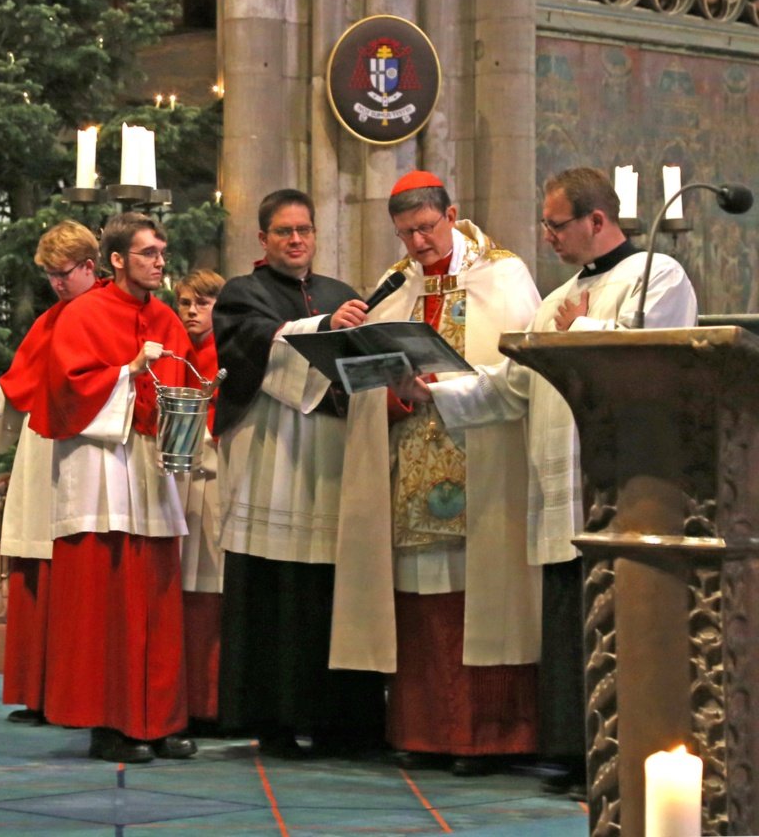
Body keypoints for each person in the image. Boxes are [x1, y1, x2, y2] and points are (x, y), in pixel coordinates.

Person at [395, 166, 697, 795]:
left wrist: (574, 335)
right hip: (556, 486)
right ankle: (573, 747)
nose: (547, 236)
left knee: (623, 619)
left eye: (556, 225)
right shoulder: (559, 300)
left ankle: (626, 749)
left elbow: (654, 351)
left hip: (621, 481)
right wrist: (439, 390)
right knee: (570, 622)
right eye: (544, 225)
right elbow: (512, 389)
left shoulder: (658, 275)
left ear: (596, 220)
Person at [332, 171, 543, 775]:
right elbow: (367, 382)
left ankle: (488, 738)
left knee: (484, 597)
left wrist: (444, 390)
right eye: (406, 234)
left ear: (452, 213)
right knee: (420, 599)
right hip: (410, 467)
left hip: (482, 463)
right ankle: (424, 731)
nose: (418, 244)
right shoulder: (393, 288)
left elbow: (522, 372)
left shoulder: (503, 276)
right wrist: (388, 385)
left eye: (426, 229)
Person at [212, 188, 385, 755]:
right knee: (276, 586)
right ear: (262, 239)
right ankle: (276, 719)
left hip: (335, 454)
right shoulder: (243, 293)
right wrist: (326, 326)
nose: (296, 240)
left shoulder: (342, 292)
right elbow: (252, 345)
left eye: (304, 230)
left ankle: (342, 721)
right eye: (284, 232)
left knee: (333, 584)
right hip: (276, 453)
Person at [36, 212, 195, 764]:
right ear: (118, 260)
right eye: (147, 252)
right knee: (106, 601)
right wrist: (129, 370)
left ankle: (161, 718)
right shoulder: (82, 314)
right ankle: (109, 723)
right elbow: (67, 389)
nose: (158, 261)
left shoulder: (169, 320)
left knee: (156, 593)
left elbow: (183, 387)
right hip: (101, 467)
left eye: (162, 252)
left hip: (151, 467)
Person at [0, 220, 100, 725]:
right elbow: (18, 390)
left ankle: (75, 693)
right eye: (50, 276)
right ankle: (38, 691)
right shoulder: (51, 320)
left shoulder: (105, 315)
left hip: (87, 456)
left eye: (64, 274)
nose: (56, 284)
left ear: (92, 267)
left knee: (80, 578)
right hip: (42, 454)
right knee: (37, 571)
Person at [170, 267, 228, 729]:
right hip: (180, 478)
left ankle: (213, 700)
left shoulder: (224, 353)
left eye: (202, 303)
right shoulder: (175, 353)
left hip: (218, 477)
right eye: (185, 303)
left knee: (213, 585)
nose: (191, 311)